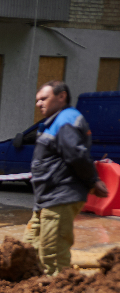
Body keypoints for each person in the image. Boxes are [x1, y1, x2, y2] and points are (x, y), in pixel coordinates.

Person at [23, 80, 109, 276]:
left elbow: (76, 155)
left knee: (51, 253)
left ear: (61, 97)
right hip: (46, 198)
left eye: (44, 98)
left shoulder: (66, 119)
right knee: (29, 247)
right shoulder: (53, 122)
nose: (39, 104)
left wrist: (92, 181)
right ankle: (32, 289)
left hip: (60, 196)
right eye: (37, 100)